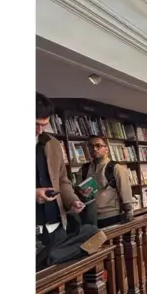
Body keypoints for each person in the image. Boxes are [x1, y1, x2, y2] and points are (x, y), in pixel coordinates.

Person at [36, 93, 84, 248]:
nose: (40, 130)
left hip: (57, 226)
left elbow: (63, 180)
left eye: (44, 125)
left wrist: (72, 200)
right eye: (35, 124)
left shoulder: (54, 144)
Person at [77, 135, 135, 228]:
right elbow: (77, 192)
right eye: (91, 146)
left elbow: (126, 194)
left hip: (111, 217)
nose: (94, 149)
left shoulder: (116, 168)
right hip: (89, 218)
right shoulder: (83, 169)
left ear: (106, 149)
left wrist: (129, 214)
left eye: (98, 145)